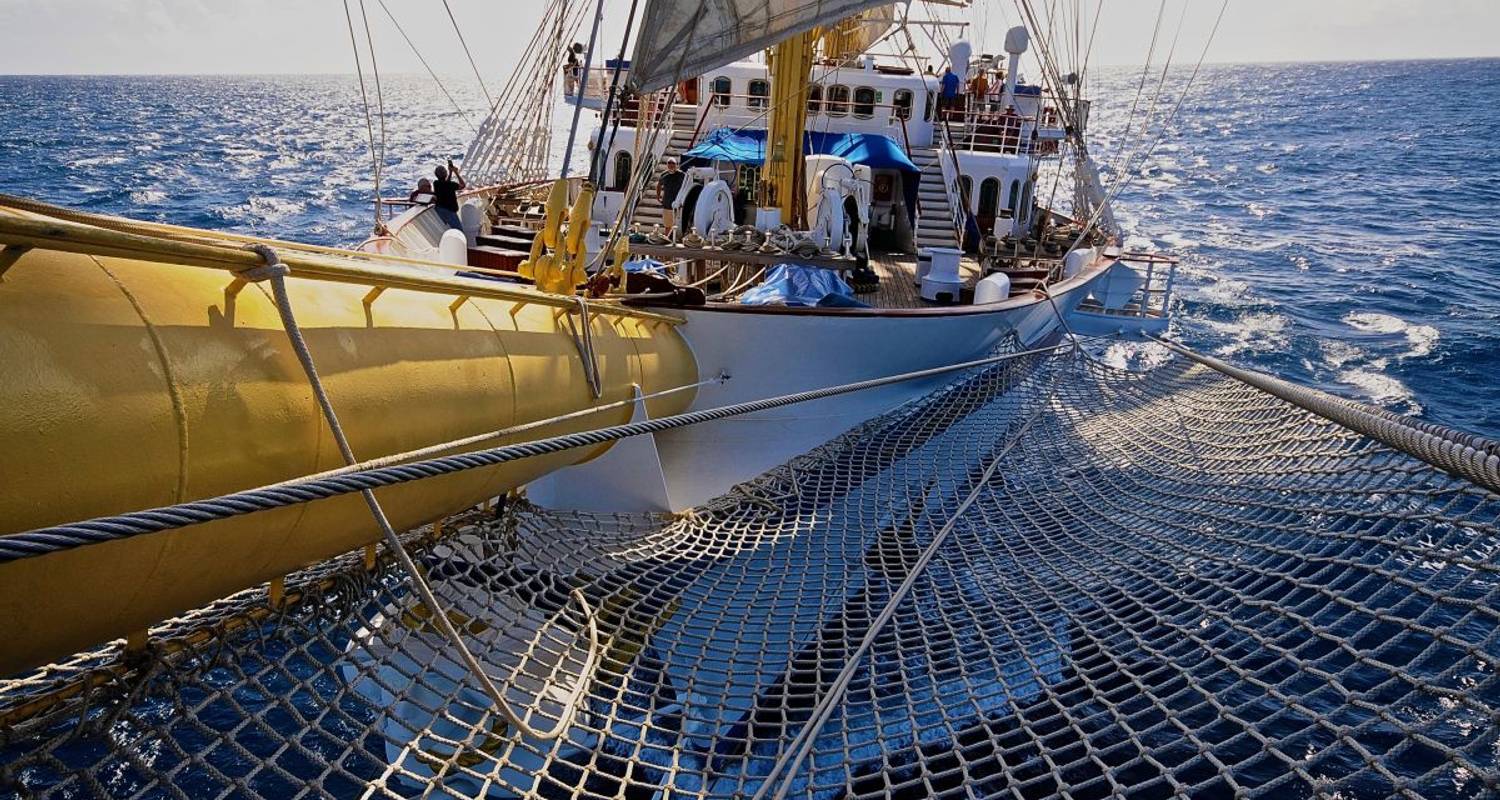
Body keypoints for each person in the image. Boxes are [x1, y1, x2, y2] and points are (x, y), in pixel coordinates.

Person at [432, 159, 466, 230]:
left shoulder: (436, 184)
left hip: (440, 209)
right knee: (459, 230)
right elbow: (462, 185)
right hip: (449, 211)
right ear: (445, 174)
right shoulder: (451, 185)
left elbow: (445, 183)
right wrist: (456, 172)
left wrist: (450, 172)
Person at [657, 157, 685, 235]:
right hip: (667, 203)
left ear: (676, 164)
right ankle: (667, 237)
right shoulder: (664, 174)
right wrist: (658, 196)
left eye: (673, 163)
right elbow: (659, 185)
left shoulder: (681, 174)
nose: (671, 165)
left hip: (678, 203)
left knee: (676, 224)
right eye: (669, 163)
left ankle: (675, 238)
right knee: (667, 224)